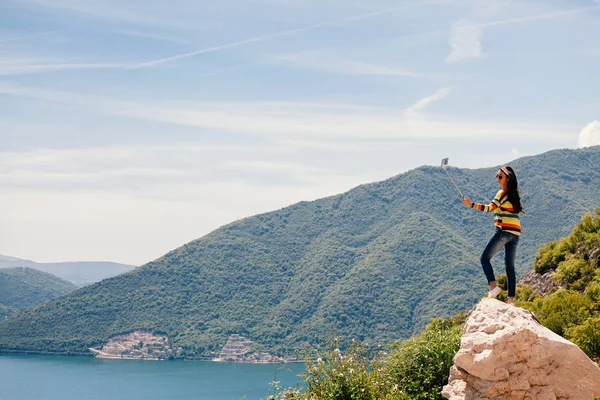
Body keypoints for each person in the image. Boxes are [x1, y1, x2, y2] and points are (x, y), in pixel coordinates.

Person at [462, 165, 523, 304]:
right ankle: (511, 300)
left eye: (500, 177)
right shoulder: (514, 196)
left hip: (504, 231)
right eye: (497, 176)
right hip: (515, 233)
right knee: (510, 266)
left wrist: (470, 204)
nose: (497, 179)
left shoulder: (502, 193)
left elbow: (490, 208)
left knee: (484, 258)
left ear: (507, 178)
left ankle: (493, 287)